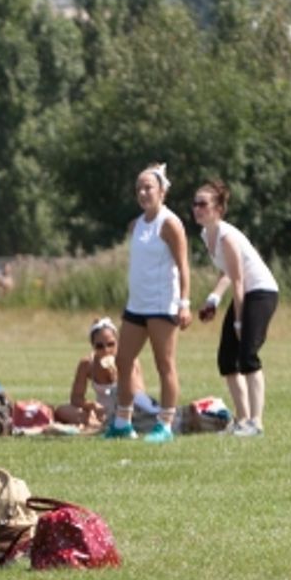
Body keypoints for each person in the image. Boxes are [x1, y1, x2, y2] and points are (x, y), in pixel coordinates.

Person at [104, 163, 191, 444]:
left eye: (148, 188)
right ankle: (122, 422)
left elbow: (183, 266)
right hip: (137, 306)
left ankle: (165, 423)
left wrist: (184, 303)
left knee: (164, 364)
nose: (143, 193)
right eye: (139, 188)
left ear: (162, 191)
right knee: (123, 360)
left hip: (162, 305)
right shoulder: (136, 224)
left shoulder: (170, 224)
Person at [192, 180, 278, 436]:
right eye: (195, 203)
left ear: (218, 208)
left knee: (248, 355)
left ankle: (256, 422)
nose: (197, 208)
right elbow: (227, 273)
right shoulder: (206, 235)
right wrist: (213, 299)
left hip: (261, 292)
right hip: (247, 293)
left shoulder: (227, 235)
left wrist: (239, 322)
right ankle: (241, 420)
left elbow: (239, 280)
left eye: (203, 204)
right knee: (227, 358)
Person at [54, 317, 149, 431]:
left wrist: (119, 378)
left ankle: (110, 424)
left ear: (117, 343)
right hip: (101, 411)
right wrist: (91, 405)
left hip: (126, 409)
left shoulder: (129, 361)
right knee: (62, 410)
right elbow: (76, 398)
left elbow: (139, 395)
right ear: (93, 346)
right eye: (100, 346)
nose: (106, 350)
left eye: (111, 344)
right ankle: (99, 424)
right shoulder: (87, 364)